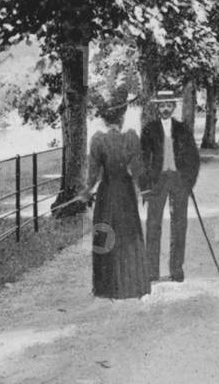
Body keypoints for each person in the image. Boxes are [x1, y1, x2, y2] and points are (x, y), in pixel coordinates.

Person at [75, 98, 151, 299]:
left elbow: (92, 174)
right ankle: (132, 286)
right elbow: (137, 170)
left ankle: (106, 287)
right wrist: (144, 190)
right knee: (128, 235)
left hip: (107, 194)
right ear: (123, 117)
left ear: (105, 120)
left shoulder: (98, 140)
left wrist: (86, 191)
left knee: (107, 235)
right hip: (125, 194)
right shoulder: (131, 138)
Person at [139, 89, 200, 282]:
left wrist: (189, 182)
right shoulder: (149, 129)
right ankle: (151, 271)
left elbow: (193, 158)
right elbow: (141, 160)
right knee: (153, 225)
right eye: (162, 105)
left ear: (173, 107)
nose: (165, 109)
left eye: (168, 105)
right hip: (157, 182)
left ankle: (176, 269)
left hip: (179, 181)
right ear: (157, 107)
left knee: (179, 224)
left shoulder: (183, 129)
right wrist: (145, 186)